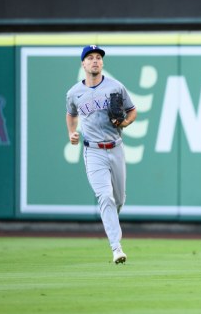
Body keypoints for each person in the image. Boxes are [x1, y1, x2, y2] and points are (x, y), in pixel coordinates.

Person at [65, 45, 137, 264]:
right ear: (83, 64)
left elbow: (132, 110)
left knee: (118, 199)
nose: (95, 61)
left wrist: (125, 122)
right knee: (104, 196)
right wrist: (71, 133)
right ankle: (116, 248)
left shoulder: (116, 87)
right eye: (90, 58)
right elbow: (71, 114)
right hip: (93, 151)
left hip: (115, 148)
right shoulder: (74, 92)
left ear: (102, 63)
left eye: (98, 57)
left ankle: (111, 223)